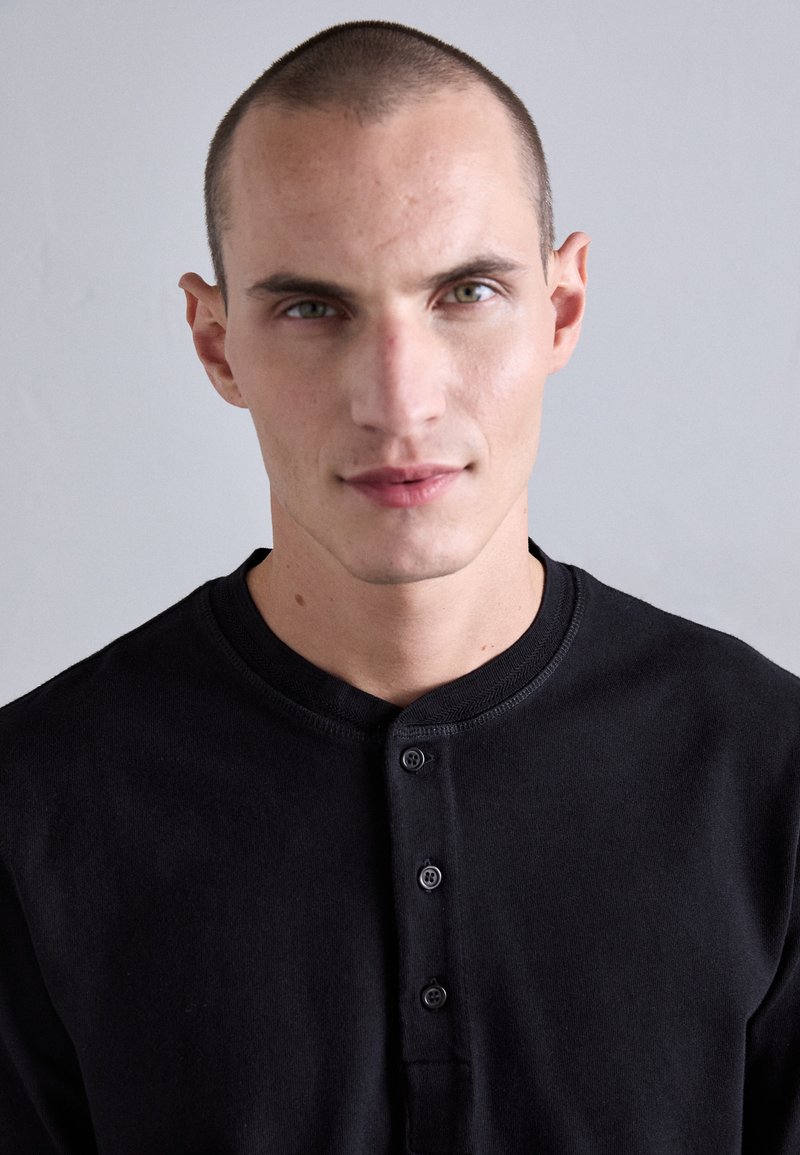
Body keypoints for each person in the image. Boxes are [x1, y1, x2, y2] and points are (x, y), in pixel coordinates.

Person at [1, 19, 798, 1155]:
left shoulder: (767, 773)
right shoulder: (34, 807)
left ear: (561, 308)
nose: (398, 398)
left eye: (464, 292)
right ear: (216, 343)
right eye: (311, 308)